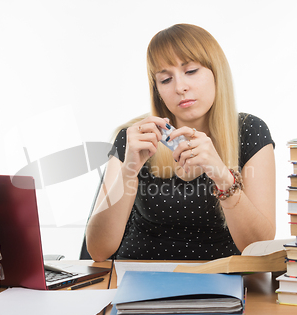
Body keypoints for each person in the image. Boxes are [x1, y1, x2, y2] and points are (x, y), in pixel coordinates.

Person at [86, 23, 275, 262]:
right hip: (139, 279)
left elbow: (260, 248)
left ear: (216, 73)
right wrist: (128, 171)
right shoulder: (136, 137)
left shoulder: (250, 131)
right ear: (157, 90)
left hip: (220, 284)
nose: (180, 87)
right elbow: (98, 250)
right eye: (165, 79)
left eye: (191, 71)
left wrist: (221, 175)